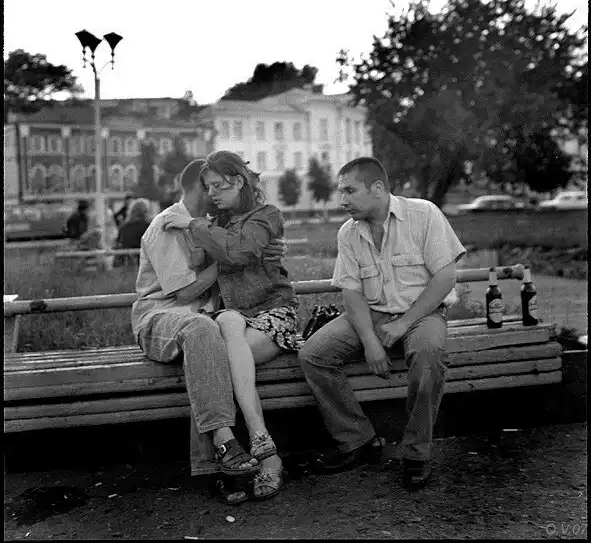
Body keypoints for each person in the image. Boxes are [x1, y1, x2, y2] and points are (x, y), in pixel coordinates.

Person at [298, 157, 466, 491]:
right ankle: (358, 440)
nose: (342, 200)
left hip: (422, 314)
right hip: (372, 313)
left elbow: (445, 278)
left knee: (428, 356)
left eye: (350, 191)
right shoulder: (349, 232)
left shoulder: (423, 214)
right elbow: (351, 293)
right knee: (313, 355)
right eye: (341, 192)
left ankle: (416, 453)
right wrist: (370, 341)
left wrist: (404, 324)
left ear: (377, 188)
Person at [131, 157, 287, 505]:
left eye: (221, 185)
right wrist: (230, 259)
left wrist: (262, 251)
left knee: (208, 348)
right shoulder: (167, 225)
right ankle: (222, 454)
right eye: (211, 187)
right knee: (205, 333)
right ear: (198, 188)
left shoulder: (213, 223)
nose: (217, 194)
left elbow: (252, 242)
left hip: (203, 324)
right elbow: (185, 294)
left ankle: (220, 466)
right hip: (160, 319)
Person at [113, 198, 152, 268]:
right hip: (143, 264)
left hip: (125, 264)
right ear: (145, 212)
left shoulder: (123, 227)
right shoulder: (148, 227)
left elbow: (118, 244)